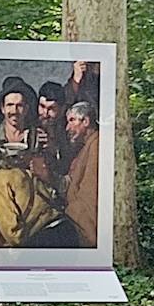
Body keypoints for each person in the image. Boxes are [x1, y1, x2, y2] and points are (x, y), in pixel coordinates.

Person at [64, 101, 100, 247]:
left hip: (82, 228)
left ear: (86, 121)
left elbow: (89, 198)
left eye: (72, 121)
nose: (68, 128)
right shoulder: (87, 146)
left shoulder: (97, 146)